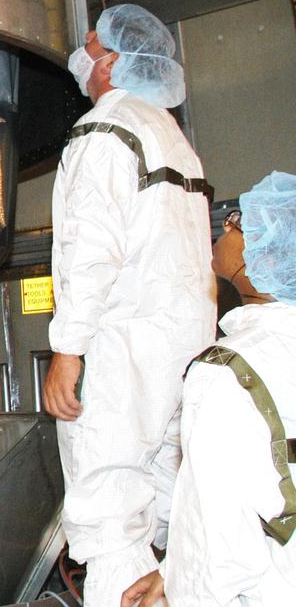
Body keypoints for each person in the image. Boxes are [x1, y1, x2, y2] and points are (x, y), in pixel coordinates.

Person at [41, 3, 216, 605]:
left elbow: (90, 251)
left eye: (91, 44)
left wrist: (67, 351)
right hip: (183, 347)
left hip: (121, 349)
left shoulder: (105, 129)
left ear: (112, 62)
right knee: (167, 495)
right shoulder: (173, 137)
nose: (81, 54)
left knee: (107, 510)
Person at [122, 172, 296, 606]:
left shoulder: (227, 370)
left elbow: (215, 538)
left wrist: (181, 586)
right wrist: (171, 569)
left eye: (241, 223)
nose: (226, 228)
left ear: (267, 258)